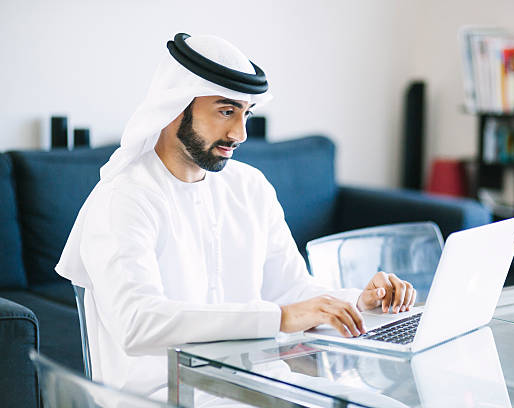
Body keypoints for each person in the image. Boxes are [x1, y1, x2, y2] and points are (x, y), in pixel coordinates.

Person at [56, 33, 416, 403]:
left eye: (246, 114)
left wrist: (358, 302)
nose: (239, 133)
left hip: (260, 380)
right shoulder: (124, 197)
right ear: (174, 107)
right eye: (226, 111)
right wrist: (278, 318)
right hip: (163, 394)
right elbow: (139, 323)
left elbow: (292, 291)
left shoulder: (249, 186)